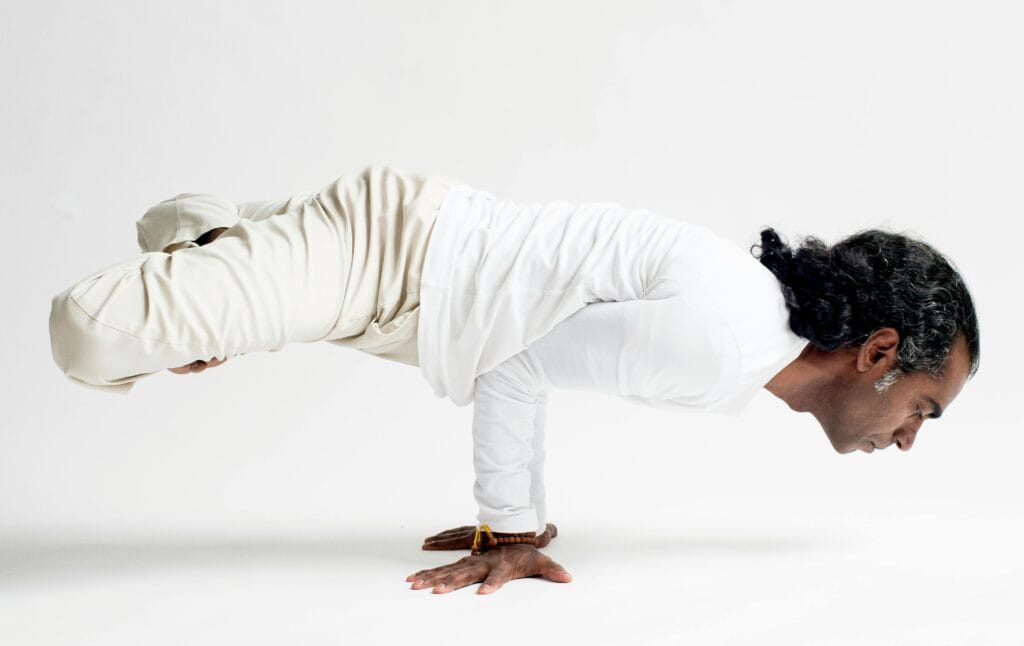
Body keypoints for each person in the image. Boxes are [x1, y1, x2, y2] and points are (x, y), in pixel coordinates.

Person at [48, 164, 980, 595]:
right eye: (922, 409)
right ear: (877, 353)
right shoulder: (726, 340)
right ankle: (210, 248)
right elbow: (517, 361)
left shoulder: (744, 331)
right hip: (388, 262)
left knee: (206, 273)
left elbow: (522, 345)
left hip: (408, 270)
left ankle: (211, 235)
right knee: (91, 335)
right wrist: (514, 527)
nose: (908, 436)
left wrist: (513, 523)